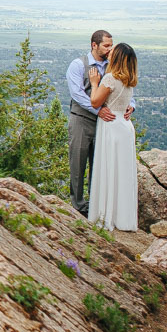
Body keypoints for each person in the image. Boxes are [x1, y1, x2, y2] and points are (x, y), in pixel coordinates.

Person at [65, 30, 134, 215]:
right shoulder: (78, 64)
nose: (110, 49)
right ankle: (78, 206)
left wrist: (131, 105)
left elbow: (125, 85)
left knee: (100, 165)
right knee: (77, 164)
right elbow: (77, 94)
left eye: (111, 45)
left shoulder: (114, 65)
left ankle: (96, 206)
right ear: (94, 45)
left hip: (105, 124)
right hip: (81, 120)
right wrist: (98, 109)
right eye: (106, 45)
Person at [87, 43, 139, 230]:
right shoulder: (129, 80)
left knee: (109, 170)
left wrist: (94, 83)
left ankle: (105, 215)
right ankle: (123, 218)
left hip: (111, 126)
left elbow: (94, 102)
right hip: (125, 127)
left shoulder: (110, 78)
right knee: (122, 174)